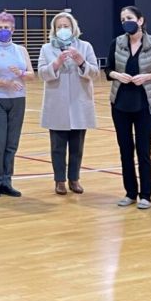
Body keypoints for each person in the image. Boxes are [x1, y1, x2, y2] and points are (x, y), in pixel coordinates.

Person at [105, 5, 151, 210]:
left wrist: (148, 77)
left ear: (140, 20)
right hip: (120, 104)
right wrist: (117, 75)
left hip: (144, 105)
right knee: (125, 150)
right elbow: (108, 69)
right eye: (123, 19)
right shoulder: (117, 43)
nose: (126, 22)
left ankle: (146, 195)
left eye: (129, 18)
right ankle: (130, 192)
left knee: (143, 151)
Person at [37, 12, 99, 195]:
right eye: (59, 27)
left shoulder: (85, 47)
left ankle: (74, 179)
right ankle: (59, 181)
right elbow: (41, 74)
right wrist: (55, 64)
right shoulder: (46, 48)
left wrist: (82, 62)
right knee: (57, 146)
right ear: (54, 30)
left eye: (66, 26)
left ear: (73, 28)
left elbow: (95, 73)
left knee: (77, 146)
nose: (63, 30)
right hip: (56, 103)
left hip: (79, 103)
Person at [0, 11, 34, 197]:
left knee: (11, 143)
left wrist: (20, 73)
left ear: (13, 29)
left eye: (6, 27)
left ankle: (6, 181)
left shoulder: (21, 50)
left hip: (18, 100)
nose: (3, 30)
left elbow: (32, 75)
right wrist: (5, 83)